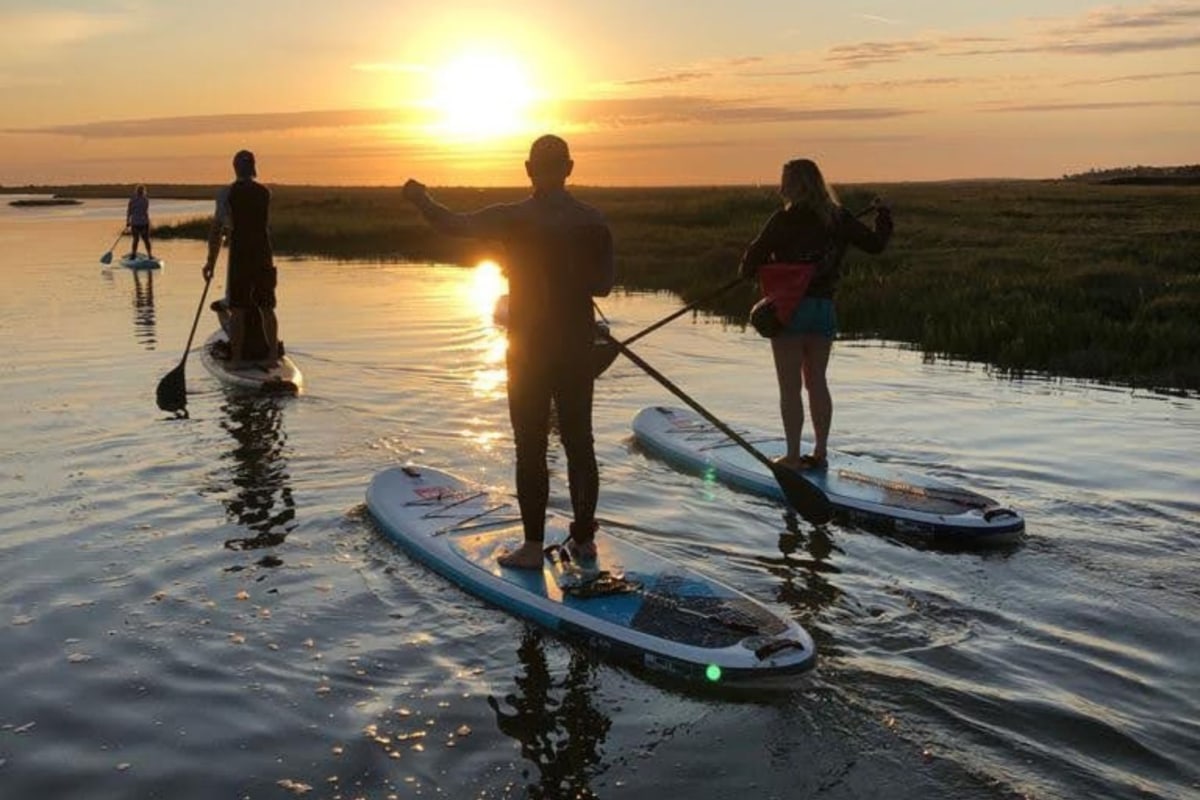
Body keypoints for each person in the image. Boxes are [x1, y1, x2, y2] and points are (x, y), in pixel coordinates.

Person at [403, 135, 614, 570]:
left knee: (530, 446)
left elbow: (452, 224)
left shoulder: (513, 217)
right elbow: (604, 286)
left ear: (528, 169)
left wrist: (420, 198)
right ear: (569, 168)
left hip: (530, 350)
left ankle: (533, 548)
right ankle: (584, 541)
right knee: (580, 443)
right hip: (576, 347)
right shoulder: (593, 221)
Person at [739, 158, 892, 470]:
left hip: (788, 310)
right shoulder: (838, 217)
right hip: (823, 310)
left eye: (784, 181)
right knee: (817, 382)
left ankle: (793, 456)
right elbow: (876, 245)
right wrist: (883, 216)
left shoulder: (783, 220)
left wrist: (766, 265)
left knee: (790, 386)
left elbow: (747, 266)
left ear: (793, 186)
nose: (780, 187)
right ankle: (820, 452)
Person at [202, 150, 281, 366]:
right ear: (253, 168)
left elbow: (217, 230)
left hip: (241, 254)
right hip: (264, 253)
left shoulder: (226, 194)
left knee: (237, 308)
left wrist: (210, 262)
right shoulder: (266, 192)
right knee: (267, 307)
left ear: (235, 168)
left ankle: (236, 360)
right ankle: (272, 358)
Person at [126, 184, 153, 259]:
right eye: (139, 190)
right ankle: (134, 254)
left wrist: (128, 221)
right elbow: (129, 211)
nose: (140, 192)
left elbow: (130, 211)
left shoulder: (145, 200)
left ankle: (149, 254)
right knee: (137, 239)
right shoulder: (135, 200)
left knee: (145, 239)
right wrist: (128, 221)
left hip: (143, 223)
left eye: (141, 190)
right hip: (136, 223)